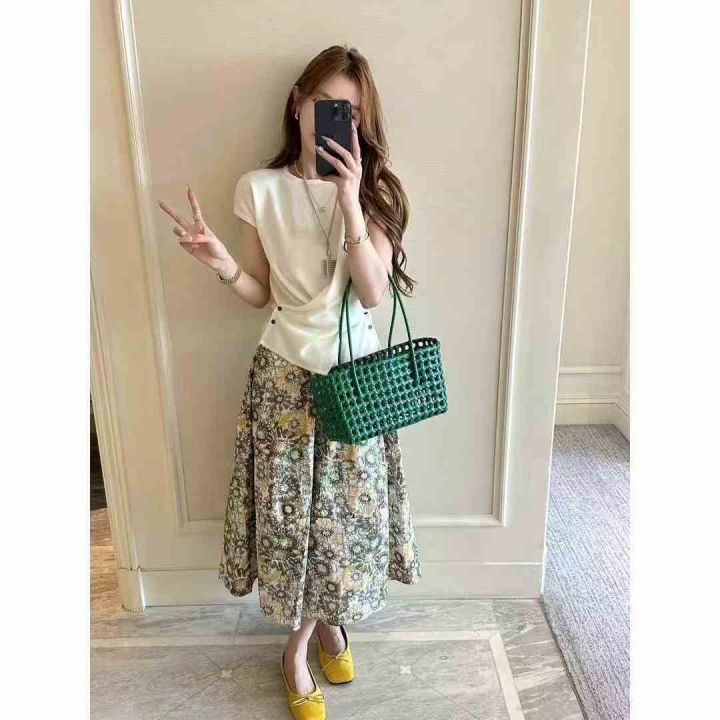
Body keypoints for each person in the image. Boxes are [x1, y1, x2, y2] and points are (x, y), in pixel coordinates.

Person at [158, 44, 421, 720]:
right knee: (291, 522)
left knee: (343, 522)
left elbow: (372, 294)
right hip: (283, 377)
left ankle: (313, 636)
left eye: (351, 112)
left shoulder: (376, 191)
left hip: (357, 384)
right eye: (326, 104)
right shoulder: (258, 189)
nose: (337, 119)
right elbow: (262, 294)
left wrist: (351, 203)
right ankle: (306, 644)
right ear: (298, 103)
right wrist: (221, 263)